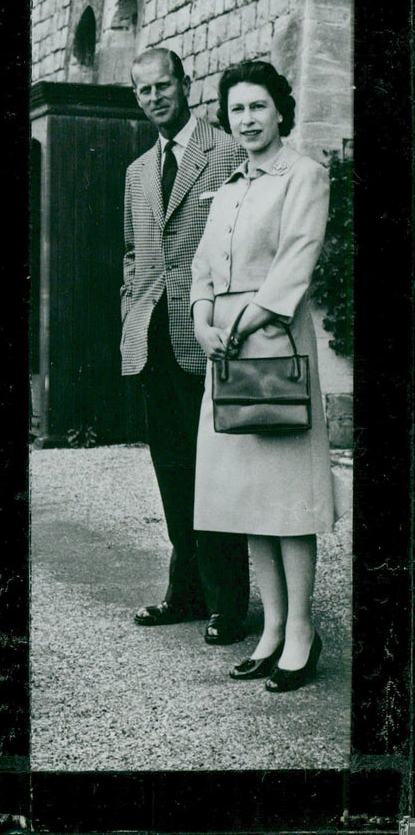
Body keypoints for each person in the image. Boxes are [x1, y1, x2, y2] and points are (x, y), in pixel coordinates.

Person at [190, 60, 334, 692]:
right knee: (251, 501)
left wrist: (246, 321)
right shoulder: (226, 188)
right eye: (236, 109)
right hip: (225, 353)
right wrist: (201, 321)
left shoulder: (304, 175)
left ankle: (301, 631)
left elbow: (297, 259)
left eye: (257, 107)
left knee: (288, 500)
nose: (245, 120)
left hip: (272, 345)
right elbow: (200, 268)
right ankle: (272, 630)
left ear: (281, 110)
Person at [121, 48, 250, 645]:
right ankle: (187, 590)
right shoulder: (138, 171)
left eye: (163, 86)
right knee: (173, 471)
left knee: (218, 472)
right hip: (153, 341)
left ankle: (230, 601)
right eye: (143, 91)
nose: (154, 98)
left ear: (185, 84)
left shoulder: (226, 151)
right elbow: (134, 254)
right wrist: (131, 307)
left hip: (208, 338)